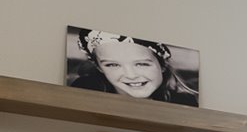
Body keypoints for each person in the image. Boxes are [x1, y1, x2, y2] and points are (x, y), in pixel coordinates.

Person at [69, 31, 197, 104]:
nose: (131, 75)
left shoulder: (184, 103)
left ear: (162, 65)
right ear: (99, 67)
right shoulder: (86, 93)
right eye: (113, 65)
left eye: (141, 64)